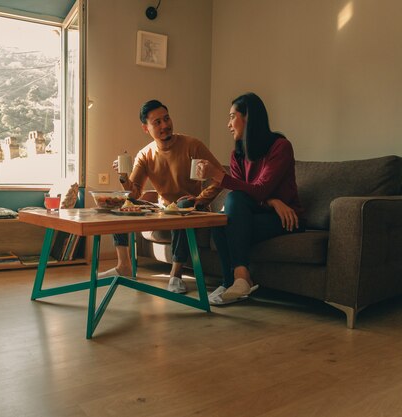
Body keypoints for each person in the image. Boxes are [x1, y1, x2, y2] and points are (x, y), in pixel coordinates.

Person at [99, 99, 225, 294]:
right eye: (157, 122)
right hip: (163, 210)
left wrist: (202, 198)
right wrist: (123, 177)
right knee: (120, 202)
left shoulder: (192, 145)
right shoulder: (145, 154)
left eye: (166, 119)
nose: (165, 125)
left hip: (191, 208)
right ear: (145, 128)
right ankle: (124, 265)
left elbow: (221, 177)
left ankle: (175, 275)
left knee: (182, 204)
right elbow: (134, 193)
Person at [195, 93, 305, 305]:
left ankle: (239, 279)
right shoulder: (237, 154)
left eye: (232, 116)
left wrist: (218, 176)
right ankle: (232, 283)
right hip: (258, 213)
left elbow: (260, 189)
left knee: (232, 207)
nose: (228, 124)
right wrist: (272, 200)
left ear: (249, 118)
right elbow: (246, 194)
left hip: (286, 219)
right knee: (220, 223)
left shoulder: (280, 147)